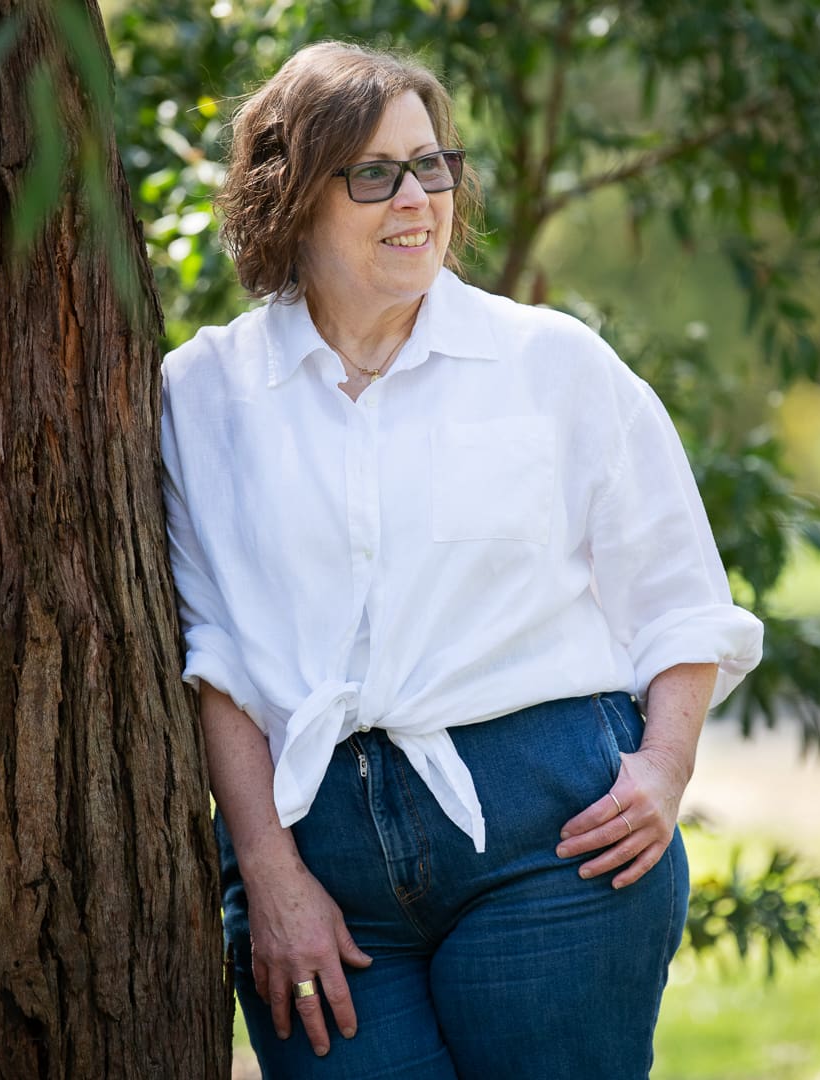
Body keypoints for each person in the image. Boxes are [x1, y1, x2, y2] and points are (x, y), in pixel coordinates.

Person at [161, 40, 763, 1080]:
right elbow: (214, 657)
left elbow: (679, 597)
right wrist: (267, 871)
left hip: (551, 837)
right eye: (374, 174)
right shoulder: (202, 393)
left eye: (431, 164)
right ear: (293, 197)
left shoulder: (550, 363)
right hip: (317, 853)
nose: (416, 199)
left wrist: (662, 772)